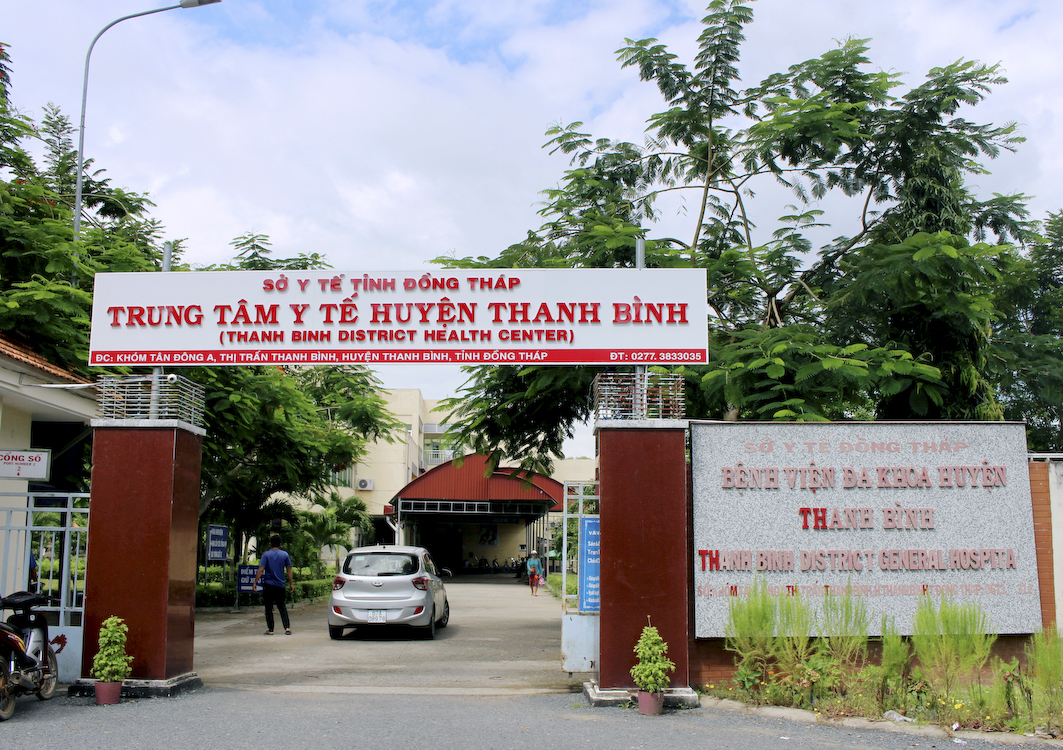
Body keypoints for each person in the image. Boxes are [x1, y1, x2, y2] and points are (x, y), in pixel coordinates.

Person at [253, 534, 294, 635]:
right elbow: (289, 570)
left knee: (268, 607)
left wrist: (255, 582)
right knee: (282, 606)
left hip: (269, 585)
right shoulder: (285, 555)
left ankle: (271, 629)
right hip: (280, 585)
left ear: (270, 544)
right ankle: (287, 628)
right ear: (280, 544)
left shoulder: (266, 555)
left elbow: (261, 569)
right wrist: (291, 583)